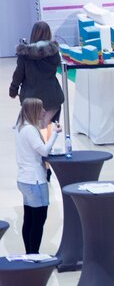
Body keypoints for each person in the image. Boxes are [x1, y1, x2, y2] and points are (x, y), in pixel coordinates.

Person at [14, 98, 61, 254]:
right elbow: (44, 151)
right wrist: (54, 134)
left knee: (29, 219)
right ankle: (34, 254)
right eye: (41, 109)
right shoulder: (30, 130)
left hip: (24, 180)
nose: (44, 112)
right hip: (35, 181)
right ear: (34, 111)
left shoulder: (20, 127)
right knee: (38, 220)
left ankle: (30, 253)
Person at [9, 21, 64, 127]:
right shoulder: (54, 52)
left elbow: (18, 75)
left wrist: (13, 90)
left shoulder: (24, 54)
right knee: (44, 127)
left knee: (31, 127)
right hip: (52, 97)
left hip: (31, 99)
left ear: (33, 34)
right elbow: (57, 64)